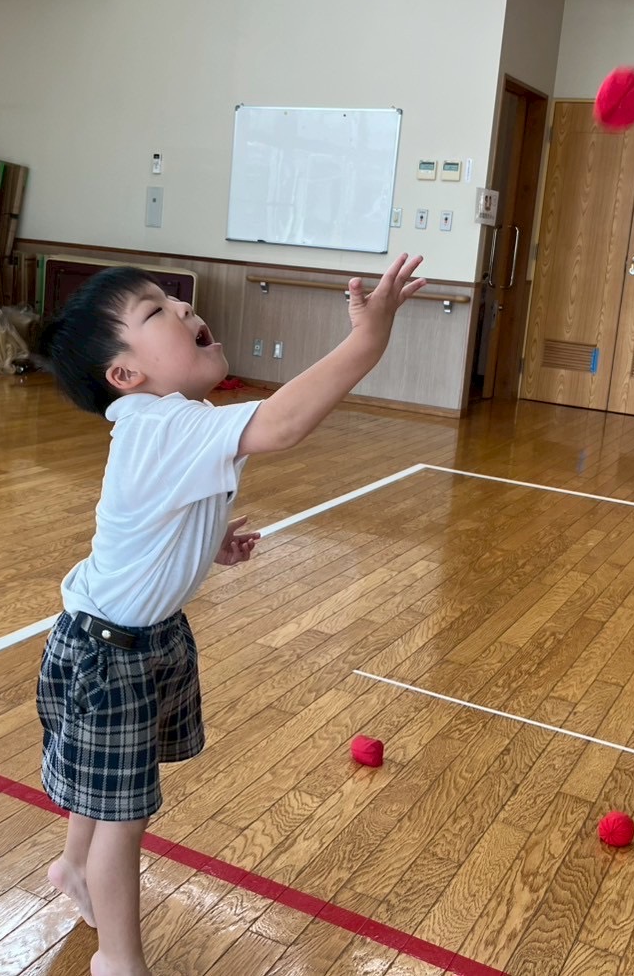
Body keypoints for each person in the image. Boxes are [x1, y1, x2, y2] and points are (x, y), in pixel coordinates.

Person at [31, 252, 425, 975]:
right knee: (123, 814)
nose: (182, 307)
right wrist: (368, 337)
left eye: (173, 299)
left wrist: (207, 542)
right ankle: (118, 960)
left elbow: (152, 519)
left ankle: (73, 869)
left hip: (146, 636)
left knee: (111, 787)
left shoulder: (179, 421)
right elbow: (284, 422)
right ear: (126, 374)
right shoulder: (159, 425)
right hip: (106, 654)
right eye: (155, 311)